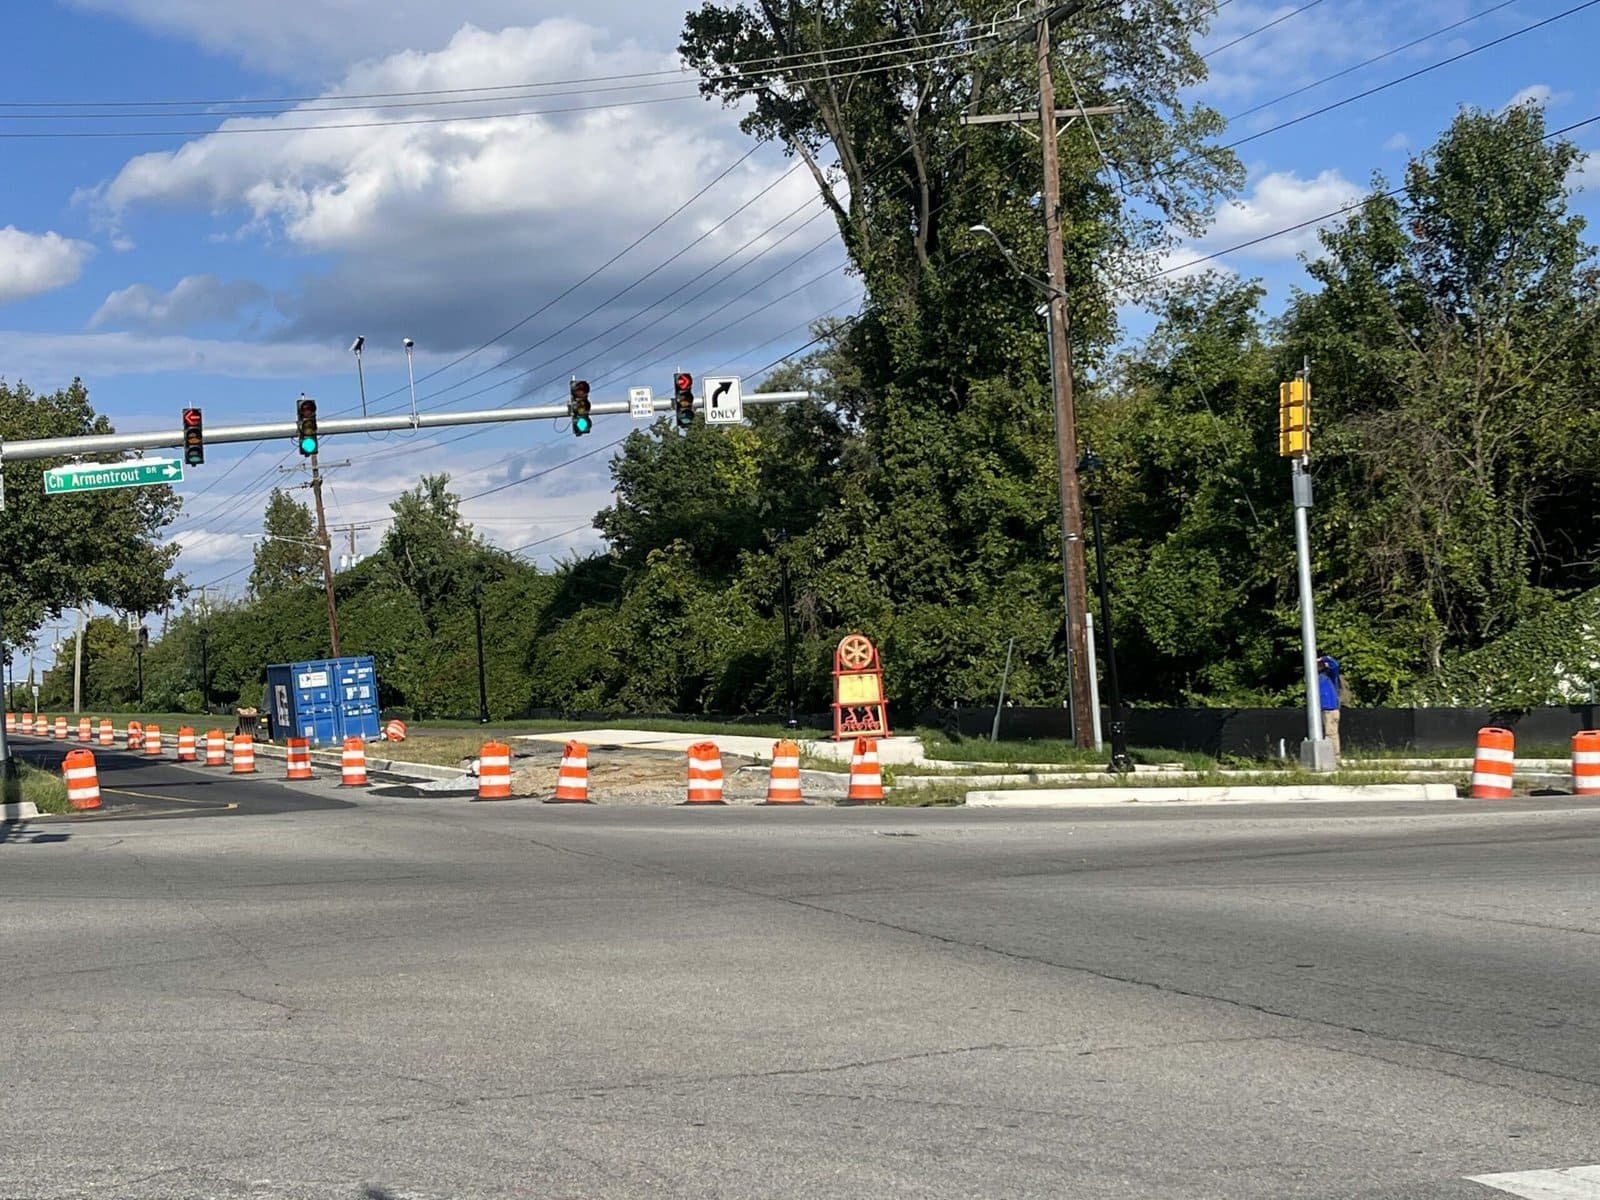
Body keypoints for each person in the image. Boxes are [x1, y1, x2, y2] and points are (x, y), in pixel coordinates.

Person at [1318, 654, 1342, 762]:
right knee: (1326, 733)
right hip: (1323, 708)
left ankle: (1334, 757)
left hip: (1330, 708)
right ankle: (1328, 756)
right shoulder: (1318, 677)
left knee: (1330, 733)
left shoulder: (1330, 675)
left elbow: (1335, 664)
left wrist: (1323, 658)